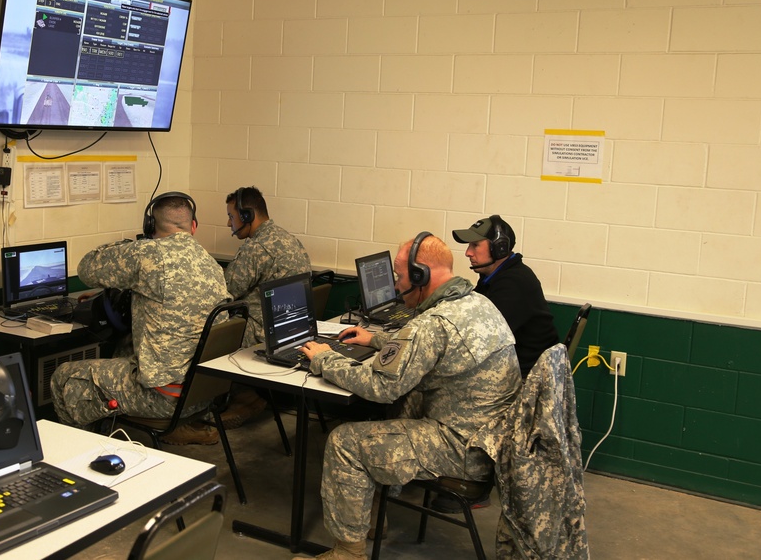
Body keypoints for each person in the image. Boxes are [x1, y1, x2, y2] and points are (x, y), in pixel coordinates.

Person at [293, 232, 522, 560]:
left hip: (464, 451)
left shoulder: (432, 323)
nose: (396, 286)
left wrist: (322, 359)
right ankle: (372, 515)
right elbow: (417, 349)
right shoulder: (476, 303)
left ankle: (347, 553)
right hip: (490, 442)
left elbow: (380, 387)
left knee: (344, 442)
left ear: (420, 275)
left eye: (400, 276)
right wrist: (374, 339)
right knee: (409, 400)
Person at [50, 191, 230, 445]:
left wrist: (130, 244)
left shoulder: (147, 254)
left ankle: (74, 455)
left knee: (64, 376)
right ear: (194, 226)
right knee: (124, 351)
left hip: (163, 400)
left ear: (149, 226)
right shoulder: (211, 265)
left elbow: (87, 268)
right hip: (201, 394)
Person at [220, 186, 311, 427]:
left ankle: (210, 407)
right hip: (293, 329)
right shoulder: (288, 239)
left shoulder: (257, 248)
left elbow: (226, 291)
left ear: (247, 215)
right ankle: (246, 396)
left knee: (203, 333)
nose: (229, 223)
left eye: (231, 216)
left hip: (262, 333)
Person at [452, 214, 560, 378]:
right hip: (516, 368)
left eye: (475, 245)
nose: (468, 253)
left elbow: (484, 337)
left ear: (499, 247)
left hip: (527, 378)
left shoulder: (513, 282)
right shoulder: (493, 277)